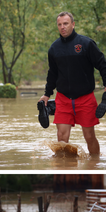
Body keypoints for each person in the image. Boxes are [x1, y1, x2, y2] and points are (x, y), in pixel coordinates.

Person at [39, 11, 106, 156]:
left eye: (66, 23)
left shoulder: (86, 44)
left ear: (73, 24)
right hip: (63, 99)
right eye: (60, 24)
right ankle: (64, 168)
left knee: (89, 137)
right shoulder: (54, 49)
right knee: (62, 138)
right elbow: (52, 73)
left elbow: (102, 65)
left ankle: (95, 164)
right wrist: (46, 94)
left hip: (86, 98)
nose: (62, 27)